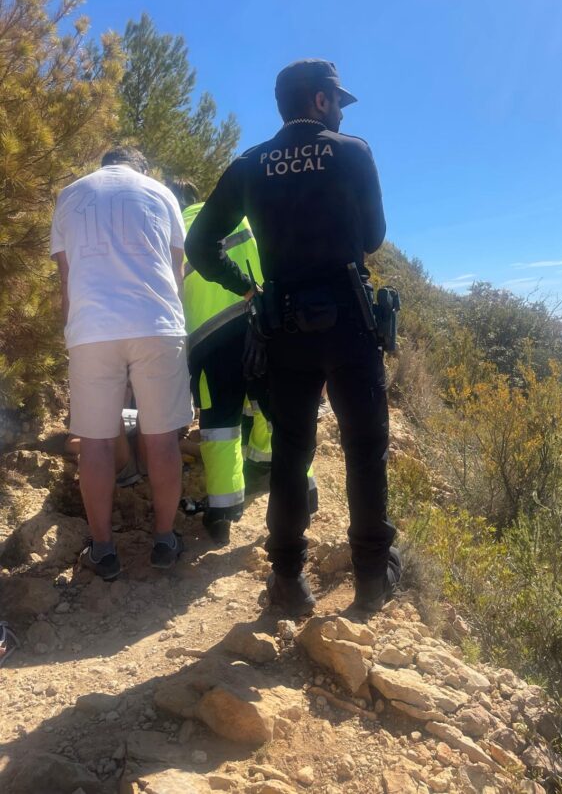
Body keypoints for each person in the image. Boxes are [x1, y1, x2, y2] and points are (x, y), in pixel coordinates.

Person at [185, 59, 400, 615]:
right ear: (320, 101)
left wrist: (248, 287)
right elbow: (373, 238)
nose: (338, 110)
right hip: (350, 322)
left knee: (290, 452)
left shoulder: (249, 165)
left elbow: (199, 246)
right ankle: (372, 578)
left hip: (282, 325)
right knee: (365, 449)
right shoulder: (352, 152)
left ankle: (288, 581)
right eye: (336, 99)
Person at [51, 146, 193, 580]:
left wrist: (73, 333)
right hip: (156, 322)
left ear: (104, 166)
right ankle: (165, 541)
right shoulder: (161, 193)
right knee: (163, 438)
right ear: (140, 167)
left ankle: (104, 549)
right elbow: (175, 269)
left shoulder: (69, 197)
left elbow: (66, 279)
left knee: (94, 442)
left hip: (92, 327)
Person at [167, 179, 316, 545]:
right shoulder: (231, 214)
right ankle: (305, 491)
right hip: (259, 323)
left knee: (219, 424)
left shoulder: (168, 229)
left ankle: (221, 515)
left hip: (207, 339)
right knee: (279, 411)